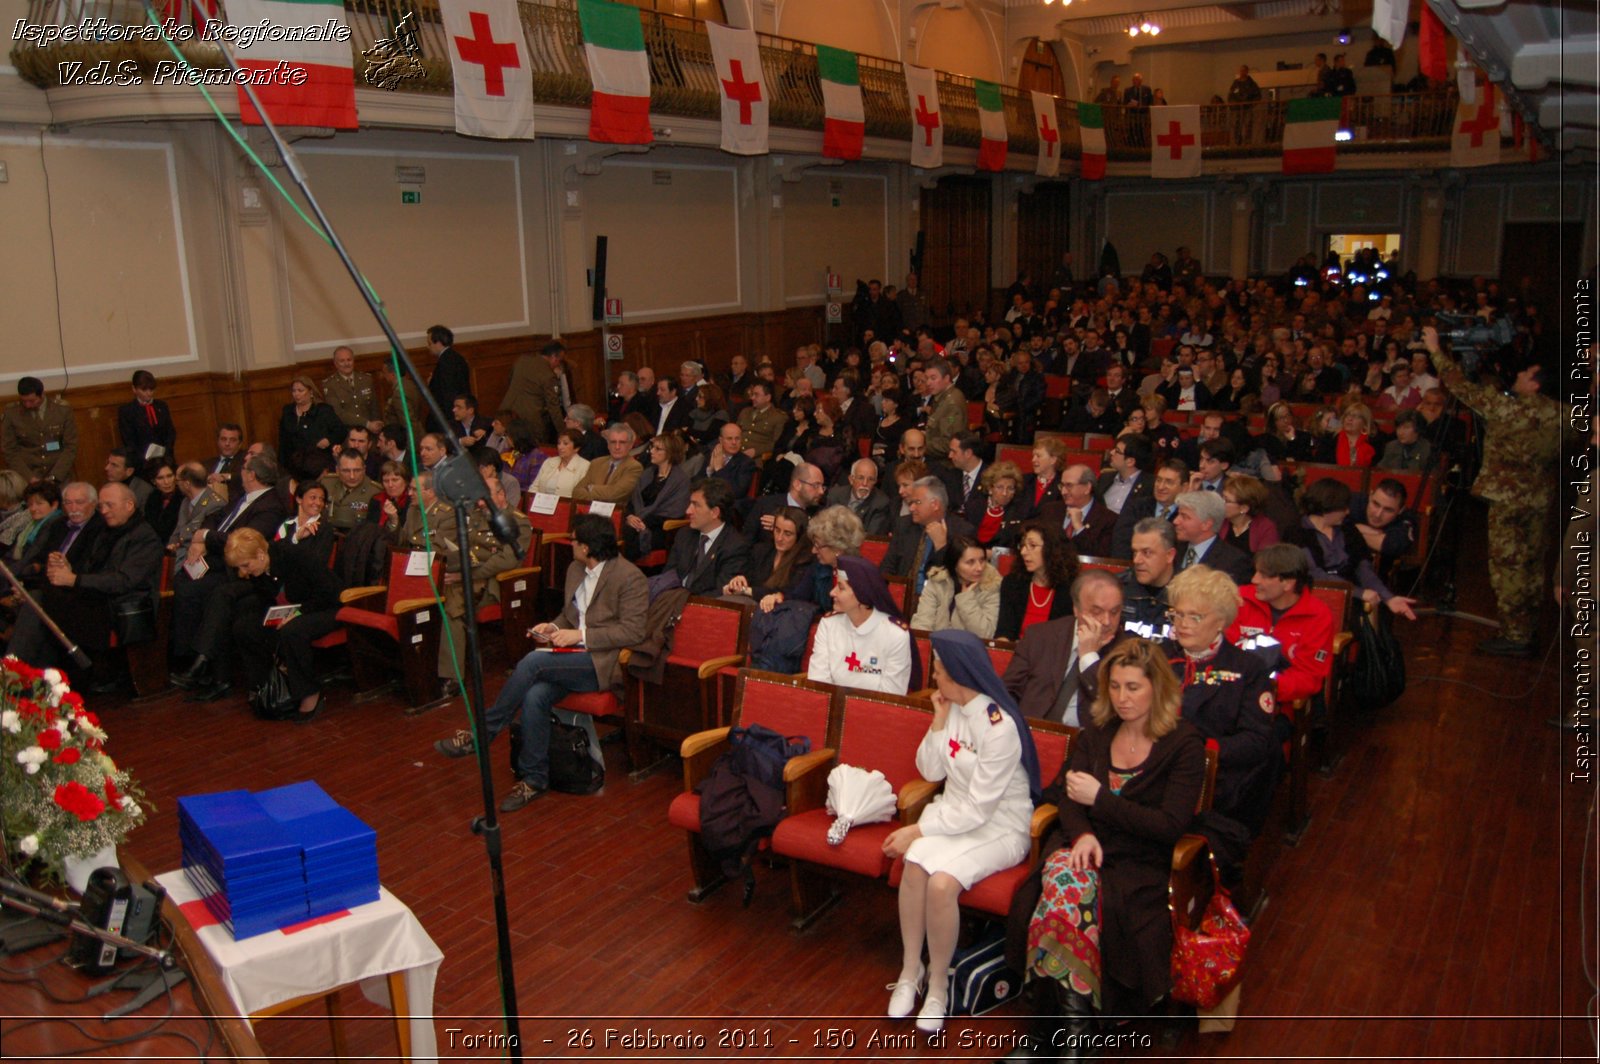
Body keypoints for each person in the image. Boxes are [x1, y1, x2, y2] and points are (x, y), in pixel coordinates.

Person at [1009, 638, 1206, 1056]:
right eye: (1114, 686)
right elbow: (1067, 794)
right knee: (1067, 878)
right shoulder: (1099, 731)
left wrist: (1101, 800)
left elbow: (1168, 827)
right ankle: (1076, 1039)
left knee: (1065, 890)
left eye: (1133, 687)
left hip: (1138, 860)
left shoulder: (1184, 745)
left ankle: (1048, 1033)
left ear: (1158, 688)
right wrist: (1082, 834)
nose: (1121, 698)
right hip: (1086, 844)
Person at [883, 629, 1040, 1035]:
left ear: (958, 675)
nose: (934, 678)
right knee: (915, 866)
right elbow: (931, 771)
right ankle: (909, 970)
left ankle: (937, 987)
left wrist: (917, 829)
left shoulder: (998, 726)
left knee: (941, 884)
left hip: (1001, 827)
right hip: (956, 815)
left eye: (938, 671)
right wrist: (938, 719)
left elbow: (979, 809)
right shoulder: (953, 708)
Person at [434, 514, 648, 810]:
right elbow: (570, 614)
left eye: (574, 540)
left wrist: (579, 635)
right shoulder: (575, 568)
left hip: (603, 661)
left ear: (587, 547)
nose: (569, 543)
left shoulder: (629, 577)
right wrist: (554, 627)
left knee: (534, 662)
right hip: (572, 656)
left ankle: (482, 733)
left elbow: (633, 631)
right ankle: (534, 779)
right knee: (535, 695)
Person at [1159, 565, 1279, 837]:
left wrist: (1202, 752)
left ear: (1221, 621)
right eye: (1177, 614)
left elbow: (1255, 742)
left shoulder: (1248, 668)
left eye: (1195, 617)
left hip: (1213, 778)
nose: (1182, 624)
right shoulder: (1156, 657)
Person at [11, 483, 163, 689]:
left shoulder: (143, 536)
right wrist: (69, 569)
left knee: (39, 603)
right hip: (96, 599)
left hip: (120, 607)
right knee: (39, 604)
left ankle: (17, 677)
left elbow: (123, 581)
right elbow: (92, 570)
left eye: (109, 505)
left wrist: (75, 579)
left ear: (129, 505)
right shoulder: (109, 532)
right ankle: (28, 681)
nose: (104, 511)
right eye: (102, 506)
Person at [219, 527, 346, 720]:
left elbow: (331, 592)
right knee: (244, 627)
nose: (243, 573)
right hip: (291, 610)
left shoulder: (296, 556)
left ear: (261, 554)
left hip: (326, 608)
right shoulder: (259, 571)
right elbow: (267, 598)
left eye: (245, 565)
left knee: (292, 630)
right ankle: (263, 684)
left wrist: (298, 612)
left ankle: (310, 692)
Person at [1004, 569, 1127, 726]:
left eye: (1115, 612)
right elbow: (1008, 691)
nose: (1107, 621)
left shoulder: (1128, 651)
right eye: (1097, 611)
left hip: (1085, 744)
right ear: (1076, 609)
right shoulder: (1041, 636)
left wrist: (1089, 657)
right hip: (1029, 733)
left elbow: (1117, 709)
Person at [1292, 478, 1417, 620]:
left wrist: (1387, 597)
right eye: (1343, 507)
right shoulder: (1297, 532)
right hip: (1316, 599)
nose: (1348, 511)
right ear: (1327, 507)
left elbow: (1363, 568)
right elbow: (1315, 575)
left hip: (1354, 600)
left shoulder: (1348, 529)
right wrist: (1358, 592)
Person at [1230, 544, 1336, 707]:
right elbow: (1223, 649)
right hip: (1230, 692)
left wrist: (1264, 687)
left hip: (1280, 703)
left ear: (1288, 583)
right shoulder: (1240, 599)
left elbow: (1308, 677)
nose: (1254, 580)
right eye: (1256, 572)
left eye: (1264, 575)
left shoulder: (1317, 616)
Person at [807, 555, 913, 693]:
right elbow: (818, 683)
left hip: (875, 713)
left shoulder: (896, 635)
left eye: (841, 588)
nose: (832, 592)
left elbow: (891, 698)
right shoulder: (828, 625)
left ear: (861, 594)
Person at [880, 477, 973, 594]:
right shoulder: (904, 525)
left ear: (935, 504)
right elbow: (888, 567)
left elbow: (958, 581)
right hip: (901, 595)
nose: (911, 508)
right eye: (911, 503)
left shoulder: (962, 532)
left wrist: (941, 546)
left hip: (938, 601)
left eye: (917, 502)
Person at [661, 478, 749, 596]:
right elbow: (667, 577)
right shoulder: (684, 535)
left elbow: (721, 593)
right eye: (690, 503)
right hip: (671, 603)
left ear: (715, 512)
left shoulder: (735, 546)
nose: (688, 511)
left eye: (696, 505)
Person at [994, 521, 1078, 641]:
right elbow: (1004, 631)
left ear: (1052, 549)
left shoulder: (1072, 588)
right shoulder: (1012, 582)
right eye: (1022, 545)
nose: (1023, 552)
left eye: (1032, 546)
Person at [723, 505, 815, 612]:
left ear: (799, 537)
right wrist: (738, 582)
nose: (779, 538)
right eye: (777, 530)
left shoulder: (805, 560)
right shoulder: (761, 550)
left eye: (787, 534)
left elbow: (788, 593)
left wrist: (746, 591)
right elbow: (746, 578)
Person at [910, 535, 1001, 638]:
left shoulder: (991, 586)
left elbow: (986, 634)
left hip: (969, 651)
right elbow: (922, 623)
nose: (979, 568)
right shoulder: (938, 581)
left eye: (982, 560)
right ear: (954, 564)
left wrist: (966, 599)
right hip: (935, 648)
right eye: (970, 562)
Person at [623, 434, 692, 559]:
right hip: (637, 521)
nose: (652, 451)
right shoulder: (648, 473)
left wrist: (643, 522)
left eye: (657, 449)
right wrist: (630, 516)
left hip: (661, 530)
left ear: (670, 453)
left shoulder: (680, 481)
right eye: (652, 447)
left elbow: (675, 512)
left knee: (627, 535)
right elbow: (633, 501)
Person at [2, 376, 77, 483]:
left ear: (42, 394)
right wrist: (30, 477)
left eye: (32, 401)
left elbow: (70, 447)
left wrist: (55, 476)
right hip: (27, 476)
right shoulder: (12, 414)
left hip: (59, 475)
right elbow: (10, 450)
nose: (27, 405)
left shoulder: (62, 410)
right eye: (24, 401)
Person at [1172, 490, 1253, 584]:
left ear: (1206, 524)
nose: (1176, 521)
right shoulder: (1173, 549)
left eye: (1185, 516)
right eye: (1178, 514)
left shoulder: (1234, 562)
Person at [1111, 458, 1186, 558]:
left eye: (1169, 482)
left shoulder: (1185, 515)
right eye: (1158, 480)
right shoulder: (1136, 507)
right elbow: (1120, 544)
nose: (1161, 487)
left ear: (1184, 487)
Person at [1043, 464, 1117, 558]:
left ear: (1087, 488)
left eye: (1069, 485)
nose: (1063, 492)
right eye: (1062, 485)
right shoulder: (1050, 511)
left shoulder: (1108, 520)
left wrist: (1079, 528)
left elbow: (1100, 556)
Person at [278, 376, 345, 478]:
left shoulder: (323, 410)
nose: (296, 394)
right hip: (294, 465)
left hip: (318, 463)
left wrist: (328, 440)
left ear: (311, 391)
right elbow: (283, 441)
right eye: (294, 391)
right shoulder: (288, 411)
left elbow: (341, 431)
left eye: (300, 390)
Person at [500, 340, 564, 444]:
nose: (558, 365)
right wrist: (563, 432)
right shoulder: (548, 376)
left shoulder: (522, 360)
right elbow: (553, 406)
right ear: (553, 357)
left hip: (507, 413)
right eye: (559, 361)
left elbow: (510, 379)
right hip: (531, 421)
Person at [571, 424, 643, 504]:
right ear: (608, 445)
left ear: (630, 445)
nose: (617, 447)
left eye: (622, 442)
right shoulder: (596, 462)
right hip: (589, 511)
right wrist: (603, 493)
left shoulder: (634, 467)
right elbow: (576, 492)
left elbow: (613, 494)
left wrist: (591, 488)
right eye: (613, 442)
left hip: (614, 513)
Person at [116, 370, 176, 465]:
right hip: (141, 460)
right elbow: (128, 439)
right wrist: (143, 457)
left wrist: (166, 451)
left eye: (151, 389)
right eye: (144, 390)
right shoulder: (127, 410)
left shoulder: (161, 406)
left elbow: (170, 432)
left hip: (164, 457)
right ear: (134, 389)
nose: (149, 393)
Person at [825, 459, 895, 536]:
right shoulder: (835, 494)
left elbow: (871, 536)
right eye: (861, 478)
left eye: (871, 479)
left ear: (875, 482)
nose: (865, 483)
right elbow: (825, 526)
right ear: (851, 479)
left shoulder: (881, 503)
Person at [972, 461, 1028, 552]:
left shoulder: (1018, 512)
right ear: (990, 488)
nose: (1005, 493)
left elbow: (1014, 548)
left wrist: (992, 554)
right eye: (1000, 487)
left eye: (1010, 488)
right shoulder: (975, 506)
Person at [319, 451, 382, 531]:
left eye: (357, 470)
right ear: (337, 470)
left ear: (364, 469)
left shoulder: (375, 491)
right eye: (346, 471)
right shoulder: (326, 483)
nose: (352, 476)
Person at [426, 325, 472, 432]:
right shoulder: (457, 357)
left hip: (448, 417)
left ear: (438, 343)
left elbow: (447, 392)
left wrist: (431, 383)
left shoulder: (445, 362)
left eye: (429, 343)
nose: (428, 347)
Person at [1220, 473, 1279, 554]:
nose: (1220, 502)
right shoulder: (1219, 522)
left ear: (1244, 508)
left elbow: (1265, 563)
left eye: (1227, 501)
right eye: (1222, 497)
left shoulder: (1266, 528)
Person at [530, 430, 590, 498]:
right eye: (559, 443)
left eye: (565, 444)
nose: (560, 447)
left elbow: (581, 496)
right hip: (540, 504)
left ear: (576, 448)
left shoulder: (585, 466)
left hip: (566, 506)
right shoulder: (549, 462)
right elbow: (534, 487)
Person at [1023, 437, 1067, 519]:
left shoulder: (1064, 485)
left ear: (1053, 460)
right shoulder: (1024, 481)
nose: (1033, 460)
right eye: (1033, 456)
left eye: (1038, 456)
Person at [142, 459, 182, 546]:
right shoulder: (152, 498)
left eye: (169, 476)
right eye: (160, 478)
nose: (166, 482)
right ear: (153, 481)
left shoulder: (184, 496)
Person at [367, 460, 414, 532]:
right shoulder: (376, 500)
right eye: (386, 481)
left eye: (395, 480)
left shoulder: (413, 501)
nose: (390, 485)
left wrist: (394, 520)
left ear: (405, 481)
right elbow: (371, 528)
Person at [1334, 402, 1377, 468]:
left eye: (1355, 417)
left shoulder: (1373, 443)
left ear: (1365, 423)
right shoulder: (1332, 439)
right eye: (1347, 415)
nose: (1349, 419)